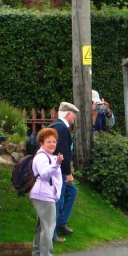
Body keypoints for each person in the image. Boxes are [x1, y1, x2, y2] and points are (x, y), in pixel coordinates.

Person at [29, 127, 64, 256]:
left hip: (43, 193)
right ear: (41, 143)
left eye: (54, 141)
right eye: (49, 141)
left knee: (41, 224)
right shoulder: (42, 157)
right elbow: (44, 174)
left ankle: (37, 252)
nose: (52, 144)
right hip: (44, 194)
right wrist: (57, 164)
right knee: (49, 225)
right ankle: (46, 255)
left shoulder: (46, 156)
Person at [50, 101, 79, 242]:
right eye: (74, 115)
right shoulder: (61, 129)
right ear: (68, 114)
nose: (74, 119)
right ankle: (53, 233)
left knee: (72, 192)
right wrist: (68, 173)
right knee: (58, 200)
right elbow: (63, 153)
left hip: (57, 170)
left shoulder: (57, 127)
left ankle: (61, 223)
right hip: (58, 171)